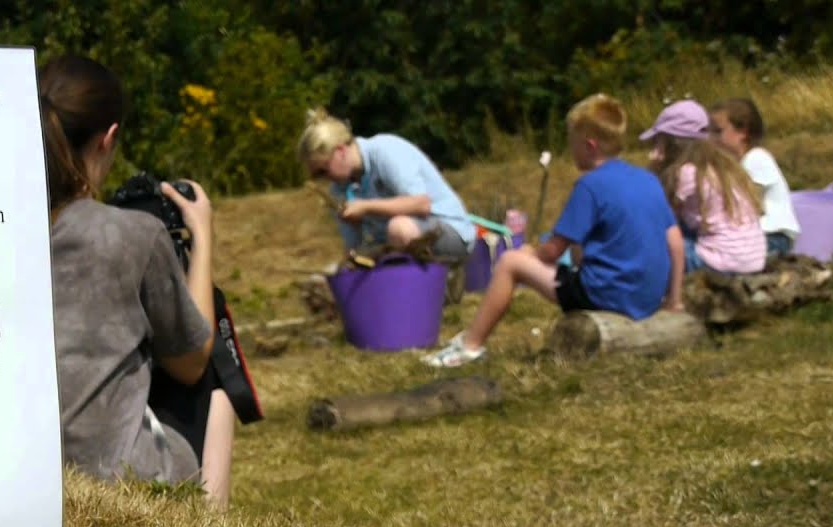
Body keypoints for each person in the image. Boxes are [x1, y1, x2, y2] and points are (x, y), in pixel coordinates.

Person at [40, 55, 234, 509]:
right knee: (219, 381)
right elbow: (191, 361)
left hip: (33, 469)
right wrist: (201, 236)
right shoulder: (131, 235)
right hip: (114, 479)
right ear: (108, 139)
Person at [423, 94, 683, 367]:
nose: (570, 152)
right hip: (647, 297)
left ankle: (470, 345)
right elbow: (674, 243)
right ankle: (469, 342)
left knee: (511, 262)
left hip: (607, 295)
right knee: (583, 250)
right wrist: (674, 301)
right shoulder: (647, 180)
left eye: (572, 143)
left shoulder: (590, 186)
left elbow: (552, 252)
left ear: (589, 145)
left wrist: (531, 251)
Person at [296, 108, 477, 259]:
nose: (324, 178)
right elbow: (353, 248)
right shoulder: (339, 189)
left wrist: (366, 207)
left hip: (449, 232)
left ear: (341, 151)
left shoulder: (385, 151)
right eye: (318, 175)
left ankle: (442, 281)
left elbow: (422, 204)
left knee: (399, 229)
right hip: (394, 244)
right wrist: (355, 229)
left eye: (323, 170)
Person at [642, 99, 766, 276]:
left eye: (658, 142)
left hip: (719, 262)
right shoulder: (724, 168)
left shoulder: (686, 174)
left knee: (653, 238)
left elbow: (660, 218)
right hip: (752, 259)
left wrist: (654, 168)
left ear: (672, 144)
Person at [709, 97, 800, 259]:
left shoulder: (757, 159)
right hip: (754, 236)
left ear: (742, 132)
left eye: (718, 131)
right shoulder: (734, 165)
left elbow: (749, 206)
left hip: (773, 236)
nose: (711, 138)